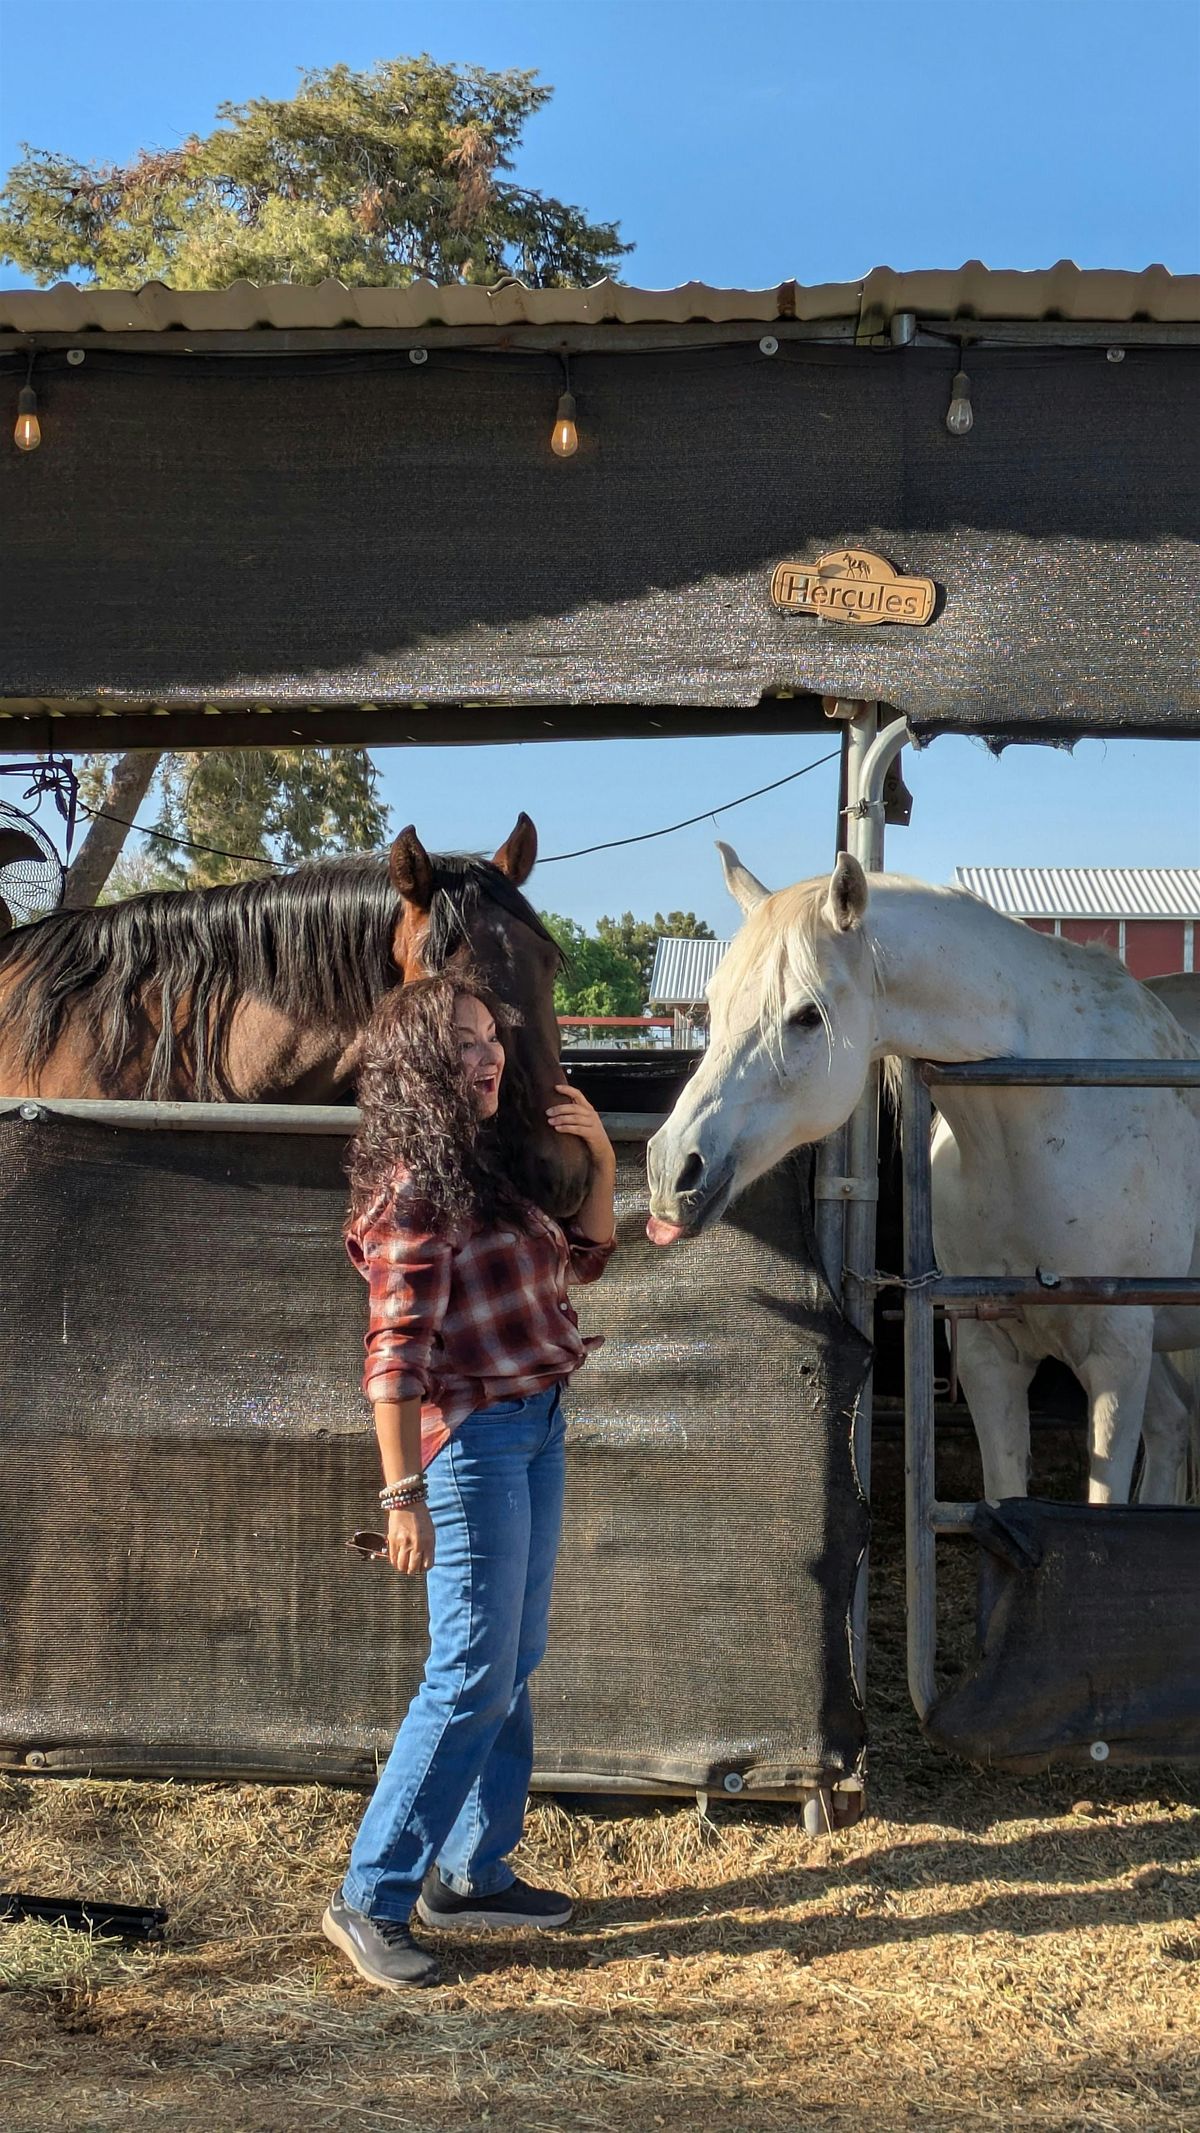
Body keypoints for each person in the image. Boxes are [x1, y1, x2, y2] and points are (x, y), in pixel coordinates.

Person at [322, 974, 617, 1990]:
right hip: (473, 1445)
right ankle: (371, 1895)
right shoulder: (416, 1189)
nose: (485, 1057)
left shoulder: (481, 1166)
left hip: (536, 1426)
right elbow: (392, 1357)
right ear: (416, 1065)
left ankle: (471, 1871)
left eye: (490, 1038)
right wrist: (402, 1496)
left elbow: (584, 1260)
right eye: (460, 1043)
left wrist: (602, 1160)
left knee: (512, 1657)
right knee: (469, 1671)